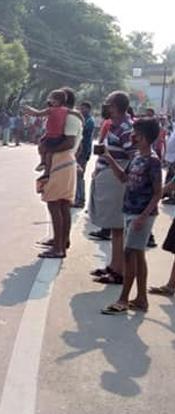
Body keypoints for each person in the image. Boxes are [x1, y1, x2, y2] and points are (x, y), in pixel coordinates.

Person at [101, 117, 162, 315]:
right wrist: (109, 158)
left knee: (129, 254)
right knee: (137, 255)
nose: (133, 136)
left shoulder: (152, 161)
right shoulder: (136, 157)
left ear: (145, 137)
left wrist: (143, 217)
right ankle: (141, 299)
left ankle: (123, 299)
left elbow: (157, 192)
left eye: (136, 134)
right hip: (130, 211)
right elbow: (124, 178)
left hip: (141, 214)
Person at [89, 91, 135, 283]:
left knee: (118, 227)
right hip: (109, 177)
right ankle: (113, 265)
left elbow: (133, 156)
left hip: (117, 181)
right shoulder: (115, 126)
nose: (105, 107)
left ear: (116, 106)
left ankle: (119, 271)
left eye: (108, 104)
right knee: (115, 227)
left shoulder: (126, 128)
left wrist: (114, 167)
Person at [37, 88, 83, 259]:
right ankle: (61, 240)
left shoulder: (70, 118)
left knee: (55, 204)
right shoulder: (70, 116)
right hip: (63, 162)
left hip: (61, 161)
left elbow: (69, 142)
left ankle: (59, 247)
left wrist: (48, 149)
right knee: (63, 205)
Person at [23, 89, 79, 180]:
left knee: (47, 151)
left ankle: (46, 170)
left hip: (54, 136)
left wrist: (30, 110)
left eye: (53, 100)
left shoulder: (51, 110)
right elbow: (75, 113)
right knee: (41, 146)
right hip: (51, 135)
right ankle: (43, 163)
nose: (50, 101)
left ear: (59, 101)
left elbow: (38, 113)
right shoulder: (65, 110)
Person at [73, 101, 95, 208]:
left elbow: (82, 131)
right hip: (78, 150)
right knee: (76, 176)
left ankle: (80, 199)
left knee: (79, 175)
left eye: (83, 108)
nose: (81, 110)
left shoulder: (89, 121)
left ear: (88, 109)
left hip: (84, 151)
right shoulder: (83, 119)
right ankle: (76, 197)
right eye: (80, 108)